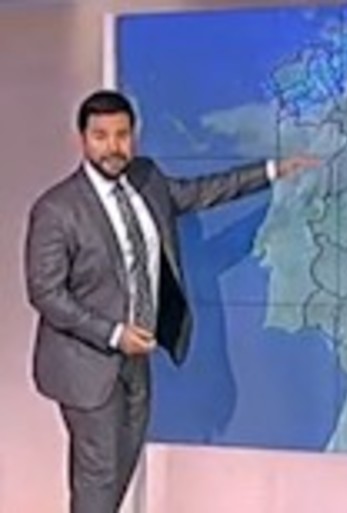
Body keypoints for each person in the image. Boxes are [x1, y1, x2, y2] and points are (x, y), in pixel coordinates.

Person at [23, 89, 318, 513]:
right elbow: (46, 294)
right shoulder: (57, 209)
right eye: (101, 136)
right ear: (82, 139)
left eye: (122, 135)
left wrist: (272, 171)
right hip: (86, 364)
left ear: (134, 136)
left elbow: (205, 191)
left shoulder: (148, 180)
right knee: (99, 477)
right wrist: (113, 334)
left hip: (137, 357)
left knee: (117, 476)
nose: (113, 147)